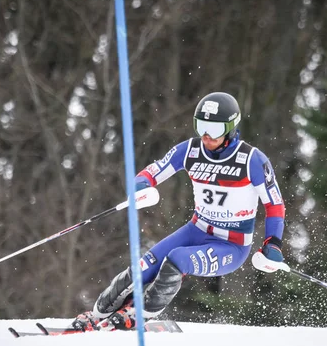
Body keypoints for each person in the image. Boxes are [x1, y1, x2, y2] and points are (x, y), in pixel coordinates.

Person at [72, 92, 288, 332]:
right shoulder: (190, 150)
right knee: (139, 269)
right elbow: (149, 173)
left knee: (177, 260)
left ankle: (140, 314)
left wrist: (273, 244)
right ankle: (97, 314)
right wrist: (142, 188)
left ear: (230, 129)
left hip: (231, 245)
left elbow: (274, 205)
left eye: (214, 129)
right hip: (195, 230)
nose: (206, 135)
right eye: (201, 126)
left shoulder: (252, 160)